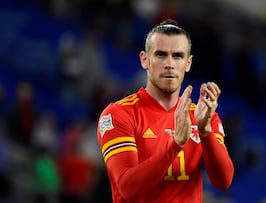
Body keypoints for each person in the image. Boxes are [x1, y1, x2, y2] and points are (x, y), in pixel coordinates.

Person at [96, 19, 234, 203]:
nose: (169, 64)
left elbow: (223, 181)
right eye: (161, 55)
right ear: (145, 59)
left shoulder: (204, 117)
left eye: (177, 56)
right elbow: (128, 189)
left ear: (188, 63)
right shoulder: (119, 114)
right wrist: (175, 144)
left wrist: (205, 132)